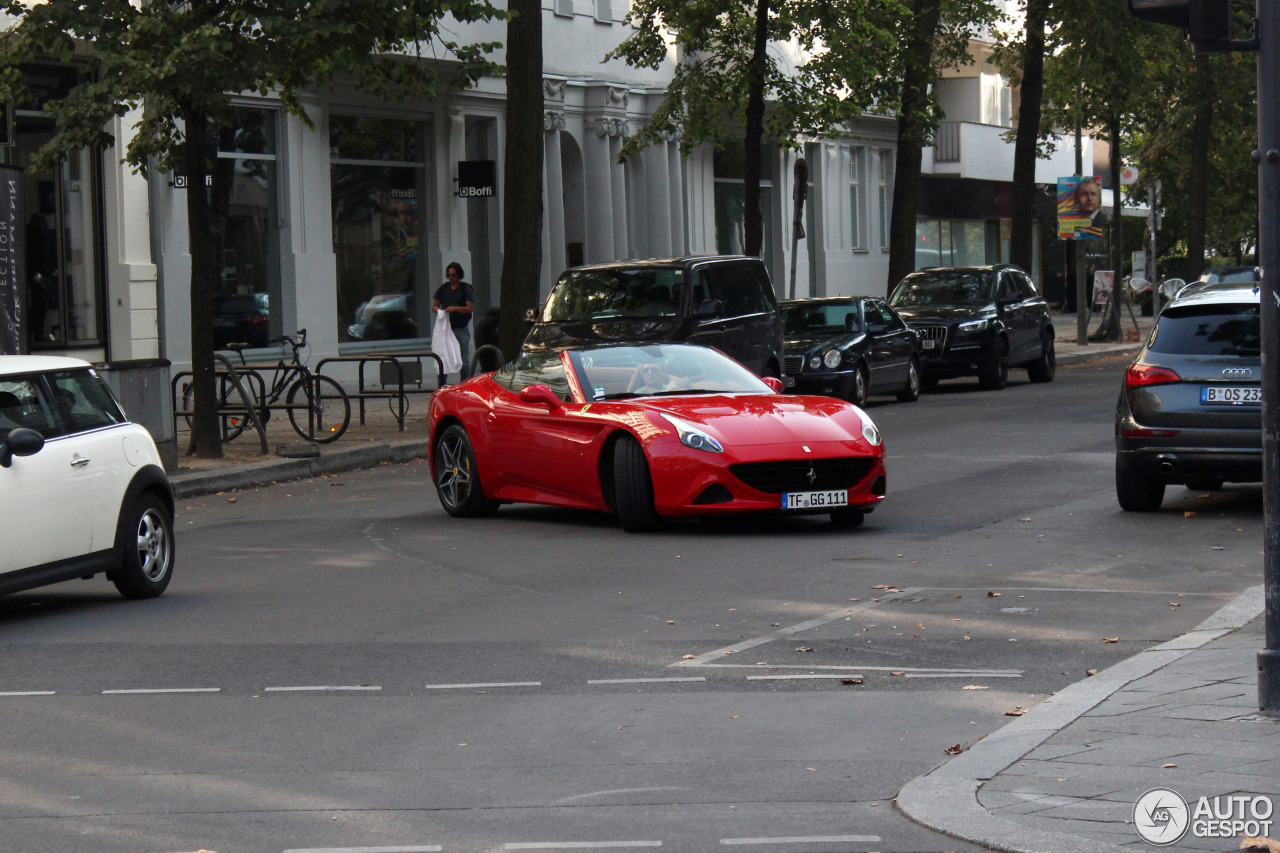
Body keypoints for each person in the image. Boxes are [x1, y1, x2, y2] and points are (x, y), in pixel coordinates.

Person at [432, 261, 475, 386]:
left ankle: (464, 384)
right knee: (443, 356)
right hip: (446, 328)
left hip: (460, 328)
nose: (451, 278)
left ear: (459, 275)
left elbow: (469, 308)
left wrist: (455, 308)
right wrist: (439, 310)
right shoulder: (444, 288)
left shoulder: (465, 289)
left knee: (463, 358)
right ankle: (442, 384)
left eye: (454, 275)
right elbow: (435, 305)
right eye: (449, 275)